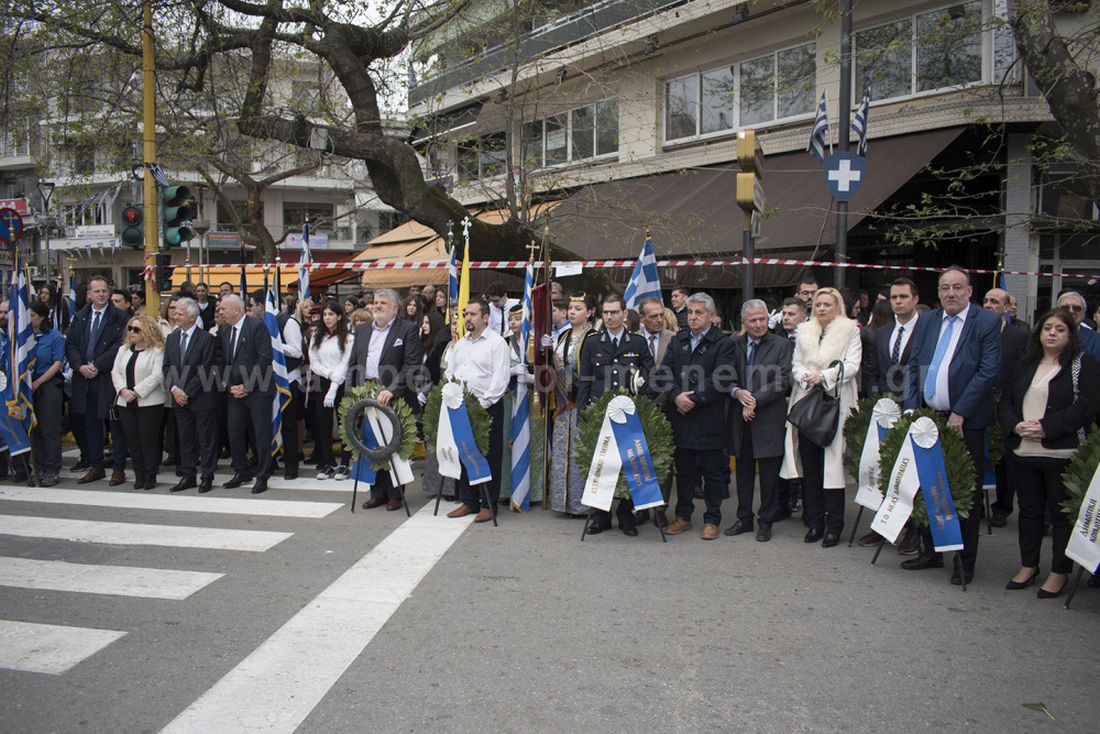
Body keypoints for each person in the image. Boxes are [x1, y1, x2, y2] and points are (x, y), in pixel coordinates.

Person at [903, 266, 1002, 585]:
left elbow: (988, 371)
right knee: (929, 486)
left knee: (963, 492)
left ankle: (964, 561)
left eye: (957, 287)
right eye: (945, 287)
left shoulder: (985, 322)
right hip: (929, 420)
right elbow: (914, 365)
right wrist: (910, 408)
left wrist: (960, 411)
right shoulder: (930, 320)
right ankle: (931, 551)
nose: (950, 293)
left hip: (966, 422)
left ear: (970, 291)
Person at [1000, 310, 1100, 598]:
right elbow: (1006, 400)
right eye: (1047, 328)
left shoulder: (1085, 365)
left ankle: (1059, 572)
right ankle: (1028, 566)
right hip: (1024, 451)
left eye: (1060, 329)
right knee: (1029, 512)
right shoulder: (1025, 363)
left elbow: (1088, 406)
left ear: (1071, 335)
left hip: (1063, 452)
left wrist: (1047, 428)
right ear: (1039, 333)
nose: (1052, 333)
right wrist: (1015, 425)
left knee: (1060, 515)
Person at [781, 287, 862, 548]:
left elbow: (851, 365)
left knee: (833, 467)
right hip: (806, 401)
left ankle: (834, 526)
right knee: (811, 466)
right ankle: (815, 522)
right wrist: (806, 376)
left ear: (838, 306)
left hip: (835, 402)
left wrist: (825, 377)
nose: (822, 308)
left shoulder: (851, 330)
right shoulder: (804, 331)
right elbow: (796, 363)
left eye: (828, 304)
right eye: (818, 304)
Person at [577, 293, 655, 536]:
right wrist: (584, 414)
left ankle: (626, 515)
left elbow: (650, 376)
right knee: (601, 464)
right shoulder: (592, 342)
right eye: (606, 312)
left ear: (624, 314)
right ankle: (601, 516)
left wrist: (643, 401)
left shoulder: (637, 343)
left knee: (629, 462)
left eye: (614, 312)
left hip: (628, 413)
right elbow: (585, 381)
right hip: (600, 411)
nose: (609, 317)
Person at [855, 278, 921, 551]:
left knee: (912, 474)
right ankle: (883, 526)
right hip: (885, 409)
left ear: (915, 299)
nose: (898, 302)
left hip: (916, 409)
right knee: (883, 467)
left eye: (904, 296)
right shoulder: (883, 333)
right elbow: (873, 371)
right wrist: (876, 403)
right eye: (894, 297)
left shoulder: (926, 330)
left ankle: (913, 532)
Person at [662, 293, 734, 541]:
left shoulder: (723, 342)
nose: (692, 317)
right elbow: (664, 373)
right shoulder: (678, 340)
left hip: (709, 417)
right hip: (681, 417)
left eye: (698, 313)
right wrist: (675, 396)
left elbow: (722, 378)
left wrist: (693, 399)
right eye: (690, 312)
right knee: (685, 471)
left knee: (713, 473)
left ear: (711, 316)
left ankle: (712, 519)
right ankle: (683, 516)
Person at [346, 288, 421, 508]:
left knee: (392, 443)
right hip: (365, 393)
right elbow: (353, 364)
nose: (377, 306)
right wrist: (351, 393)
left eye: (383, 303)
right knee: (370, 442)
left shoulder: (408, 329)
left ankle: (395, 495)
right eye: (376, 302)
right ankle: (377, 492)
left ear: (395, 308)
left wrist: (393, 389)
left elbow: (412, 364)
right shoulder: (362, 331)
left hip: (393, 395)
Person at [726, 299, 792, 543]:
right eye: (752, 320)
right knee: (742, 471)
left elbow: (782, 380)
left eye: (762, 319)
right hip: (739, 418)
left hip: (768, 417)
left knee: (768, 474)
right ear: (744, 323)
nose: (758, 324)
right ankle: (744, 518)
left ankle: (766, 521)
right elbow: (725, 375)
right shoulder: (734, 343)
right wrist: (737, 392)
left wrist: (753, 400)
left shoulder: (782, 345)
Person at [444, 299, 511, 523]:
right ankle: (469, 501)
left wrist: (481, 405)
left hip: (487, 407)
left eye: (472, 314)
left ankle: (488, 504)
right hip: (462, 407)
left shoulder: (497, 343)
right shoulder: (460, 344)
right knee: (465, 452)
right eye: (465, 315)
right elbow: (451, 373)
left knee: (489, 455)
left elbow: (500, 379)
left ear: (485, 318)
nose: (467, 319)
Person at [66, 275, 128, 485]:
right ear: (89, 294)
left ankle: (118, 469)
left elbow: (120, 345)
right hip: (84, 379)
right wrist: (79, 366)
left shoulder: (120, 317)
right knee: (90, 425)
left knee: (115, 425)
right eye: (97, 291)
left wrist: (97, 365)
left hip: (107, 378)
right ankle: (96, 466)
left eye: (104, 291)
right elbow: (71, 345)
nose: (101, 294)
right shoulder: (80, 316)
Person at [163, 298, 223, 493]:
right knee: (185, 439)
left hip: (201, 398)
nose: (176, 316)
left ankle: (207, 477)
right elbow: (166, 367)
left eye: (180, 313)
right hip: (178, 398)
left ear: (192, 316)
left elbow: (206, 369)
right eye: (175, 312)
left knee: (205, 440)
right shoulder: (172, 338)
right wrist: (174, 389)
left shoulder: (206, 339)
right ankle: (188, 476)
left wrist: (186, 392)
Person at [984, 287, 1031, 528]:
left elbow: (1023, 370)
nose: (989, 305)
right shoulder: (974, 331)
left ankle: (1002, 507)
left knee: (1004, 460)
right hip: (978, 400)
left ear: (1005, 308)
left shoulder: (1018, 335)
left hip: (1004, 402)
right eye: (986, 301)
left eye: (994, 302)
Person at [218, 294, 274, 494]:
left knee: (260, 435)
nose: (220, 312)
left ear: (236, 309)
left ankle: (262, 475)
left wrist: (247, 386)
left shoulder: (256, 327)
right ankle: (242, 471)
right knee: (234, 433)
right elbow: (222, 361)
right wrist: (230, 386)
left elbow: (264, 359)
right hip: (234, 392)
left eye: (223, 308)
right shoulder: (224, 330)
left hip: (258, 391)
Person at [549, 293, 596, 516]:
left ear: (589, 312)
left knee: (579, 451)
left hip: (581, 401)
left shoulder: (593, 336)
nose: (572, 312)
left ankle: (582, 504)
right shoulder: (563, 335)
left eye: (578, 308)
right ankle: (562, 502)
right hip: (561, 402)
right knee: (561, 452)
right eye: (570, 307)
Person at [111, 313, 167, 490]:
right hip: (125, 402)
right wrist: (123, 390)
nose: (132, 332)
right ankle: (139, 474)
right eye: (130, 328)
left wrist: (136, 392)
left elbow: (157, 375)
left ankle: (150, 475)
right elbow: (115, 372)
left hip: (149, 402)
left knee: (147, 440)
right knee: (133, 440)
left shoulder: (157, 350)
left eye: (137, 329)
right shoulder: (123, 350)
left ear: (147, 331)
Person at [308, 300, 355, 481]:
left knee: (344, 423)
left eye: (331, 314)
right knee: (323, 423)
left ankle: (344, 463)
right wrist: (329, 375)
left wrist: (334, 387)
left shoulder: (348, 338)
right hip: (323, 381)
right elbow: (314, 363)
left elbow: (345, 363)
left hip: (341, 384)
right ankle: (327, 462)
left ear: (339, 316)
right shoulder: (316, 337)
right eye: (325, 315)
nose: (327, 318)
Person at [28, 301, 65, 486]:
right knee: (34, 431)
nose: (29, 319)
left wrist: (38, 382)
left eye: (32, 316)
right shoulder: (24, 338)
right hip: (27, 388)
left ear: (42, 317)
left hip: (48, 386)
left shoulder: (54, 336)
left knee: (49, 429)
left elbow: (57, 363)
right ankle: (38, 467)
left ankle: (52, 468)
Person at [1055, 291, 1100, 359]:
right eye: (1065, 308)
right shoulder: (1045, 336)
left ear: (1084, 314)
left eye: (1076, 308)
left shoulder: (1096, 340)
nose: (1071, 311)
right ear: (1056, 311)